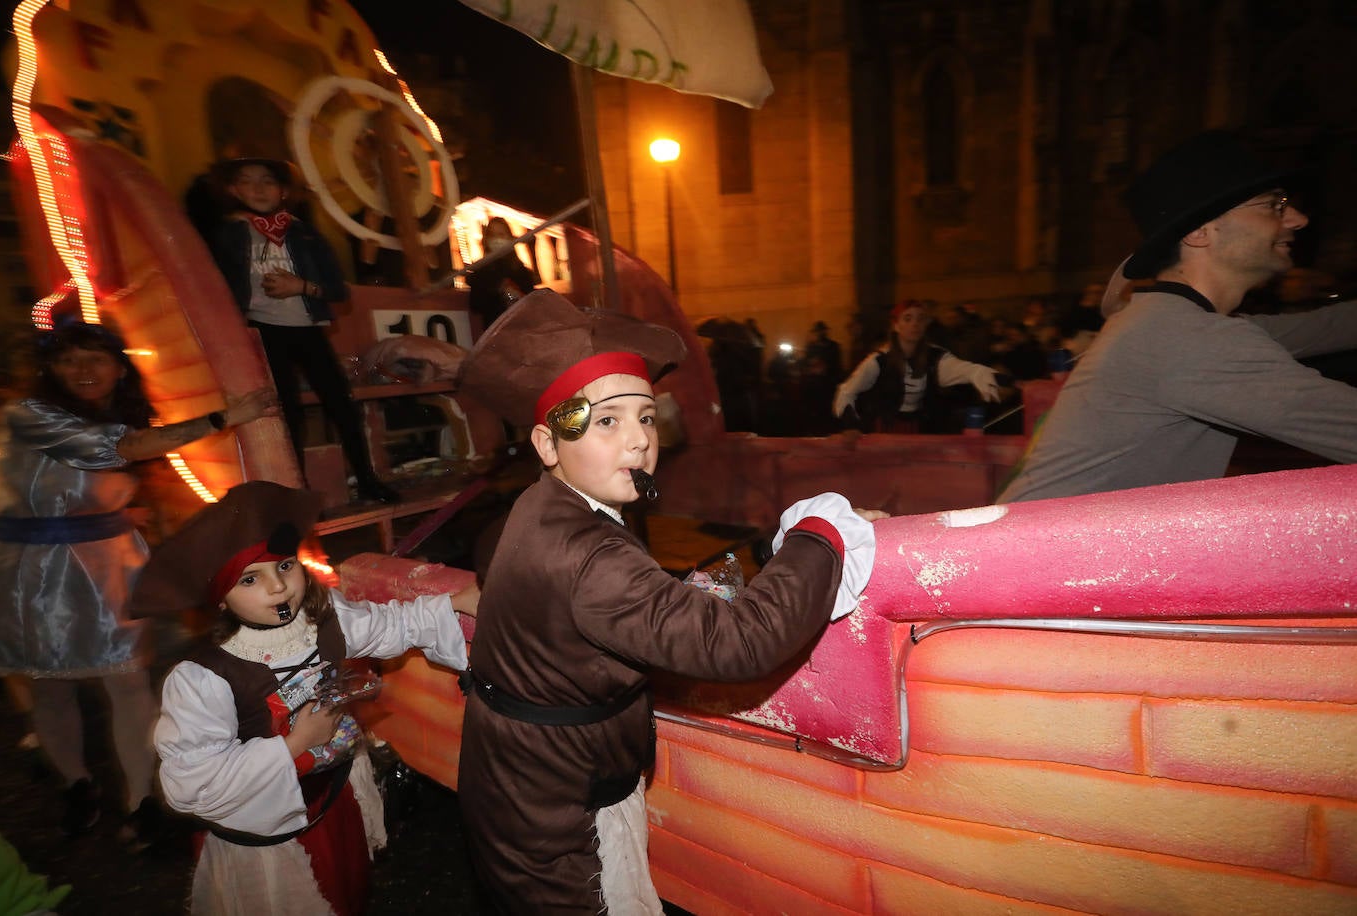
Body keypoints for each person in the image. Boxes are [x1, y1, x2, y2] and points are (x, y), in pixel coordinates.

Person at [454, 289, 884, 912]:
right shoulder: (589, 554)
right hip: (549, 811)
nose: (638, 442)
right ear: (549, 445)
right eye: (607, 421)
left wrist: (755, 563)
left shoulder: (547, 505)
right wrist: (823, 534)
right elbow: (738, 643)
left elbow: (612, 608)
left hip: (530, 778)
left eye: (646, 417)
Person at [0, 320, 276, 839]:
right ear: (50, 368)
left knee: (128, 681)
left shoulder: (118, 417)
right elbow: (124, 448)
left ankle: (142, 800)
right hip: (35, 566)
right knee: (50, 686)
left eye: (96, 358)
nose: (83, 369)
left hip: (105, 560)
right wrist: (225, 417)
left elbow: (118, 462)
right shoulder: (28, 413)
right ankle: (76, 783)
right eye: (70, 358)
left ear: (120, 369)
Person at [128, 480, 476, 916]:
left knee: (345, 894)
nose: (279, 588)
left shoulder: (325, 621)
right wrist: (294, 744)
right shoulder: (202, 679)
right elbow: (190, 783)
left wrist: (454, 601)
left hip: (333, 799)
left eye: (286, 567)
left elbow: (392, 626)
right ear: (220, 600)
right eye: (251, 579)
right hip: (269, 830)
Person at [999, 130, 1357, 503]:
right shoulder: (1191, 340)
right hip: (1059, 559)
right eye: (1273, 205)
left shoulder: (1170, 322)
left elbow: (1329, 327)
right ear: (1200, 233)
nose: (1298, 219)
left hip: (1055, 553)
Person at [210, 157, 399, 504]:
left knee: (341, 406)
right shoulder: (227, 233)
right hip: (261, 331)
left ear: (283, 191)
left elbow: (338, 291)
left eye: (267, 181)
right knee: (286, 415)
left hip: (308, 329)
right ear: (233, 189)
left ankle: (368, 480)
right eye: (247, 182)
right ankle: (296, 495)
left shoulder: (304, 232)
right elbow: (214, 288)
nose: (258, 189)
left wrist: (302, 287)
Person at [832, 299, 1003, 432]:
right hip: (886, 432)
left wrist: (980, 374)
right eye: (908, 319)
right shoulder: (878, 361)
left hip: (922, 429)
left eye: (920, 319)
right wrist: (850, 425)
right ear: (896, 325)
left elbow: (964, 369)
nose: (915, 324)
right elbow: (847, 391)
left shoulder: (934, 356)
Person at [466, 217, 538, 331]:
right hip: (495, 333)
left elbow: (532, 303)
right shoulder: (481, 271)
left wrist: (514, 294)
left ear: (510, 238)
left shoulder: (520, 270)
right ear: (486, 239)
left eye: (501, 234)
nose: (496, 239)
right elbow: (475, 305)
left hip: (523, 331)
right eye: (492, 235)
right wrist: (497, 289)